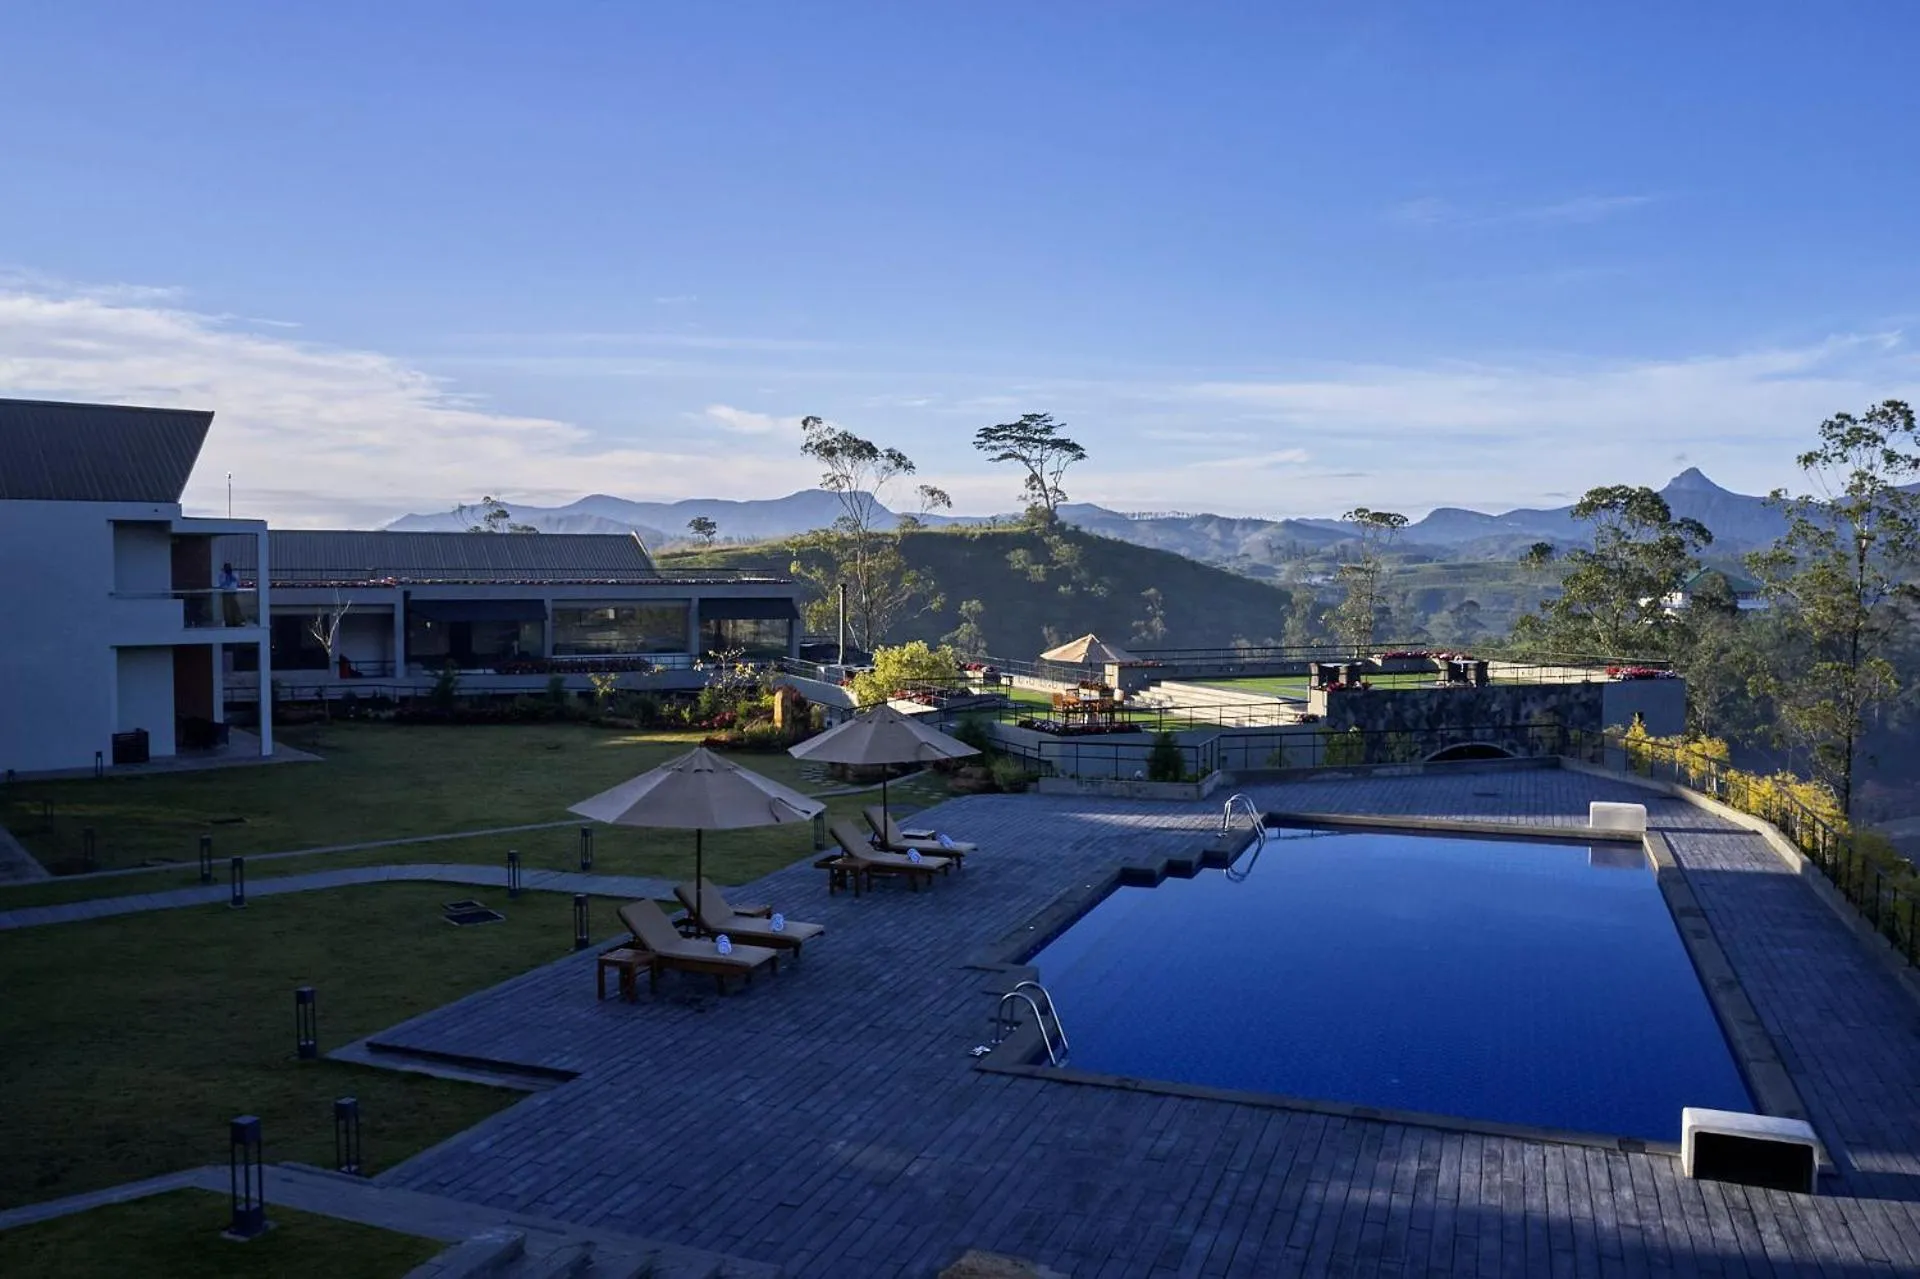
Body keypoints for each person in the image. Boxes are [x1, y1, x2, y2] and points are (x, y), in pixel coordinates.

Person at [218, 562, 244, 626]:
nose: (228, 569)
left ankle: (238, 621)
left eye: (229, 567)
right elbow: (222, 584)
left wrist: (231, 576)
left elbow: (237, 581)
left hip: (233, 593)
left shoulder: (234, 574)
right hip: (226, 593)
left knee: (235, 607)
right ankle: (228, 622)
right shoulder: (222, 575)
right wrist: (227, 579)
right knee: (227, 609)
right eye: (226, 567)